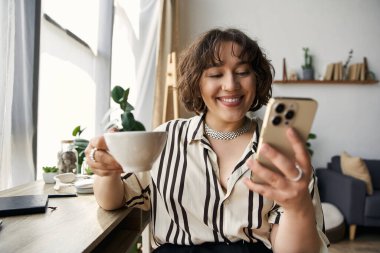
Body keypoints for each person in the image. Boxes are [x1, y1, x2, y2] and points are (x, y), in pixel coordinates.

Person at [85, 28, 329, 253]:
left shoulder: (284, 156)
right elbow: (114, 201)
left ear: (257, 79)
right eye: (215, 74)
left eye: (243, 72)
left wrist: (297, 208)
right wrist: (106, 173)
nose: (231, 85)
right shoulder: (164, 139)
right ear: (197, 82)